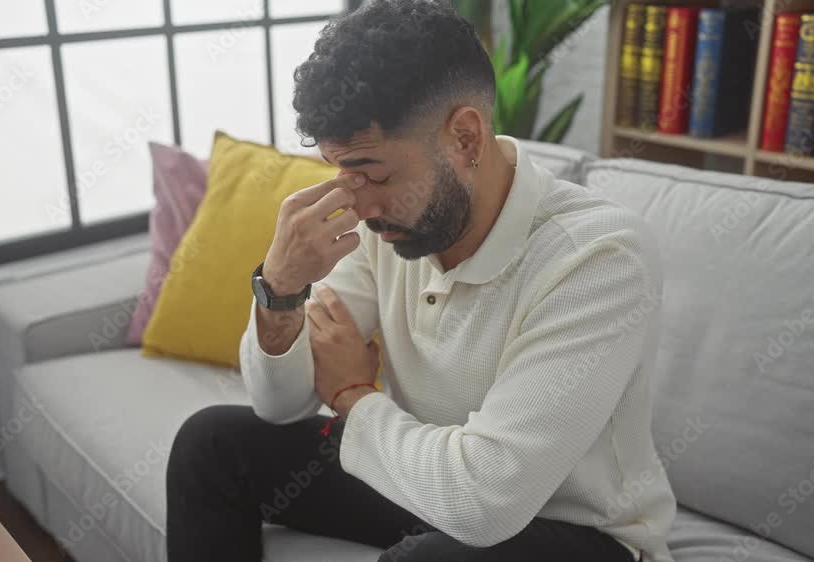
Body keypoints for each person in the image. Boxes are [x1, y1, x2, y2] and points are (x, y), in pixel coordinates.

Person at [165, 1, 675, 560]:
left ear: (465, 138)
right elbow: (278, 406)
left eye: (373, 173)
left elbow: (484, 502)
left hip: (574, 529)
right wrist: (280, 286)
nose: (356, 201)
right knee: (209, 443)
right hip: (426, 477)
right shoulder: (388, 225)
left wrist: (353, 397)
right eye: (344, 173)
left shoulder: (600, 257)